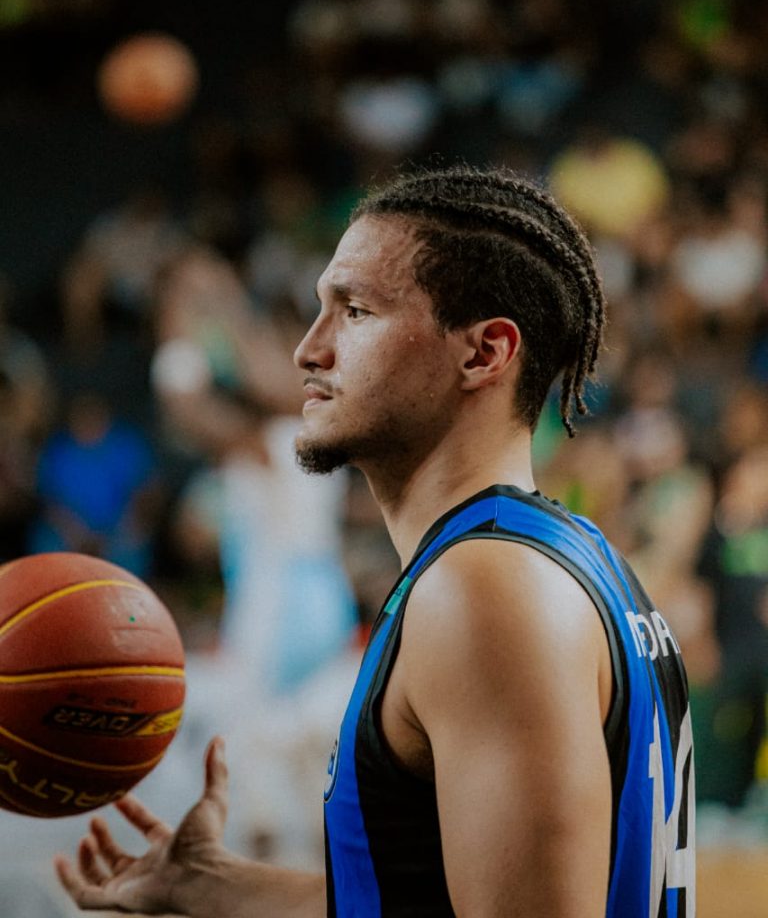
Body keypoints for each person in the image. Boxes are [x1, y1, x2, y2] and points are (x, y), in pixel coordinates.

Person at [54, 162, 696, 917]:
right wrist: (212, 884)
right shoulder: (560, 554)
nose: (308, 350)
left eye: (355, 311)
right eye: (319, 308)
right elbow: (420, 897)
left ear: (484, 353)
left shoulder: (483, 588)